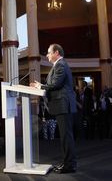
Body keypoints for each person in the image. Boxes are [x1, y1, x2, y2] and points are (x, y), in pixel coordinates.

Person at [30, 43, 77, 174]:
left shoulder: (61, 65)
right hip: (61, 105)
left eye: (49, 52)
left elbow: (56, 84)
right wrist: (42, 85)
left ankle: (70, 165)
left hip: (63, 105)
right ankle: (67, 163)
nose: (47, 55)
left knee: (66, 136)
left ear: (56, 53)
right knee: (64, 136)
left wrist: (40, 87)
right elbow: (53, 84)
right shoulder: (58, 65)